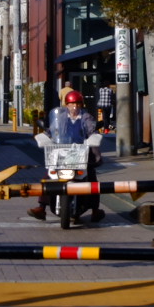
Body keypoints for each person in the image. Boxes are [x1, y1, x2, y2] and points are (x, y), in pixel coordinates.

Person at [29, 89, 103, 222]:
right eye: (71, 104)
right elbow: (52, 130)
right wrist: (46, 136)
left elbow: (91, 130)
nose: (74, 107)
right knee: (48, 176)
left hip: (80, 153)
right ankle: (41, 208)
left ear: (81, 105)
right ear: (66, 105)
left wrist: (93, 137)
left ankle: (95, 210)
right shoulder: (61, 117)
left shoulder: (86, 117)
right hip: (62, 152)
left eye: (77, 104)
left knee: (92, 178)